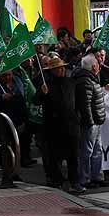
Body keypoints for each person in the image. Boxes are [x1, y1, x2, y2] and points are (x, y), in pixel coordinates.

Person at [35, 57, 80, 191]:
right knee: (55, 156)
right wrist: (41, 93)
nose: (61, 70)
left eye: (62, 67)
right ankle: (56, 180)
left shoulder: (71, 82)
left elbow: (78, 101)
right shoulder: (46, 84)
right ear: (52, 70)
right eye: (58, 68)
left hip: (71, 125)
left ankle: (74, 181)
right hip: (53, 126)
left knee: (73, 156)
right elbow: (35, 101)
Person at [74, 54, 107, 193]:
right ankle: (85, 178)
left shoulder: (90, 79)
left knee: (96, 149)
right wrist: (90, 121)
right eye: (97, 63)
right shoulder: (85, 81)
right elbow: (85, 104)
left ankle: (97, 176)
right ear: (93, 66)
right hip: (91, 122)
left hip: (96, 120)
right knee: (87, 151)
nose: (99, 65)